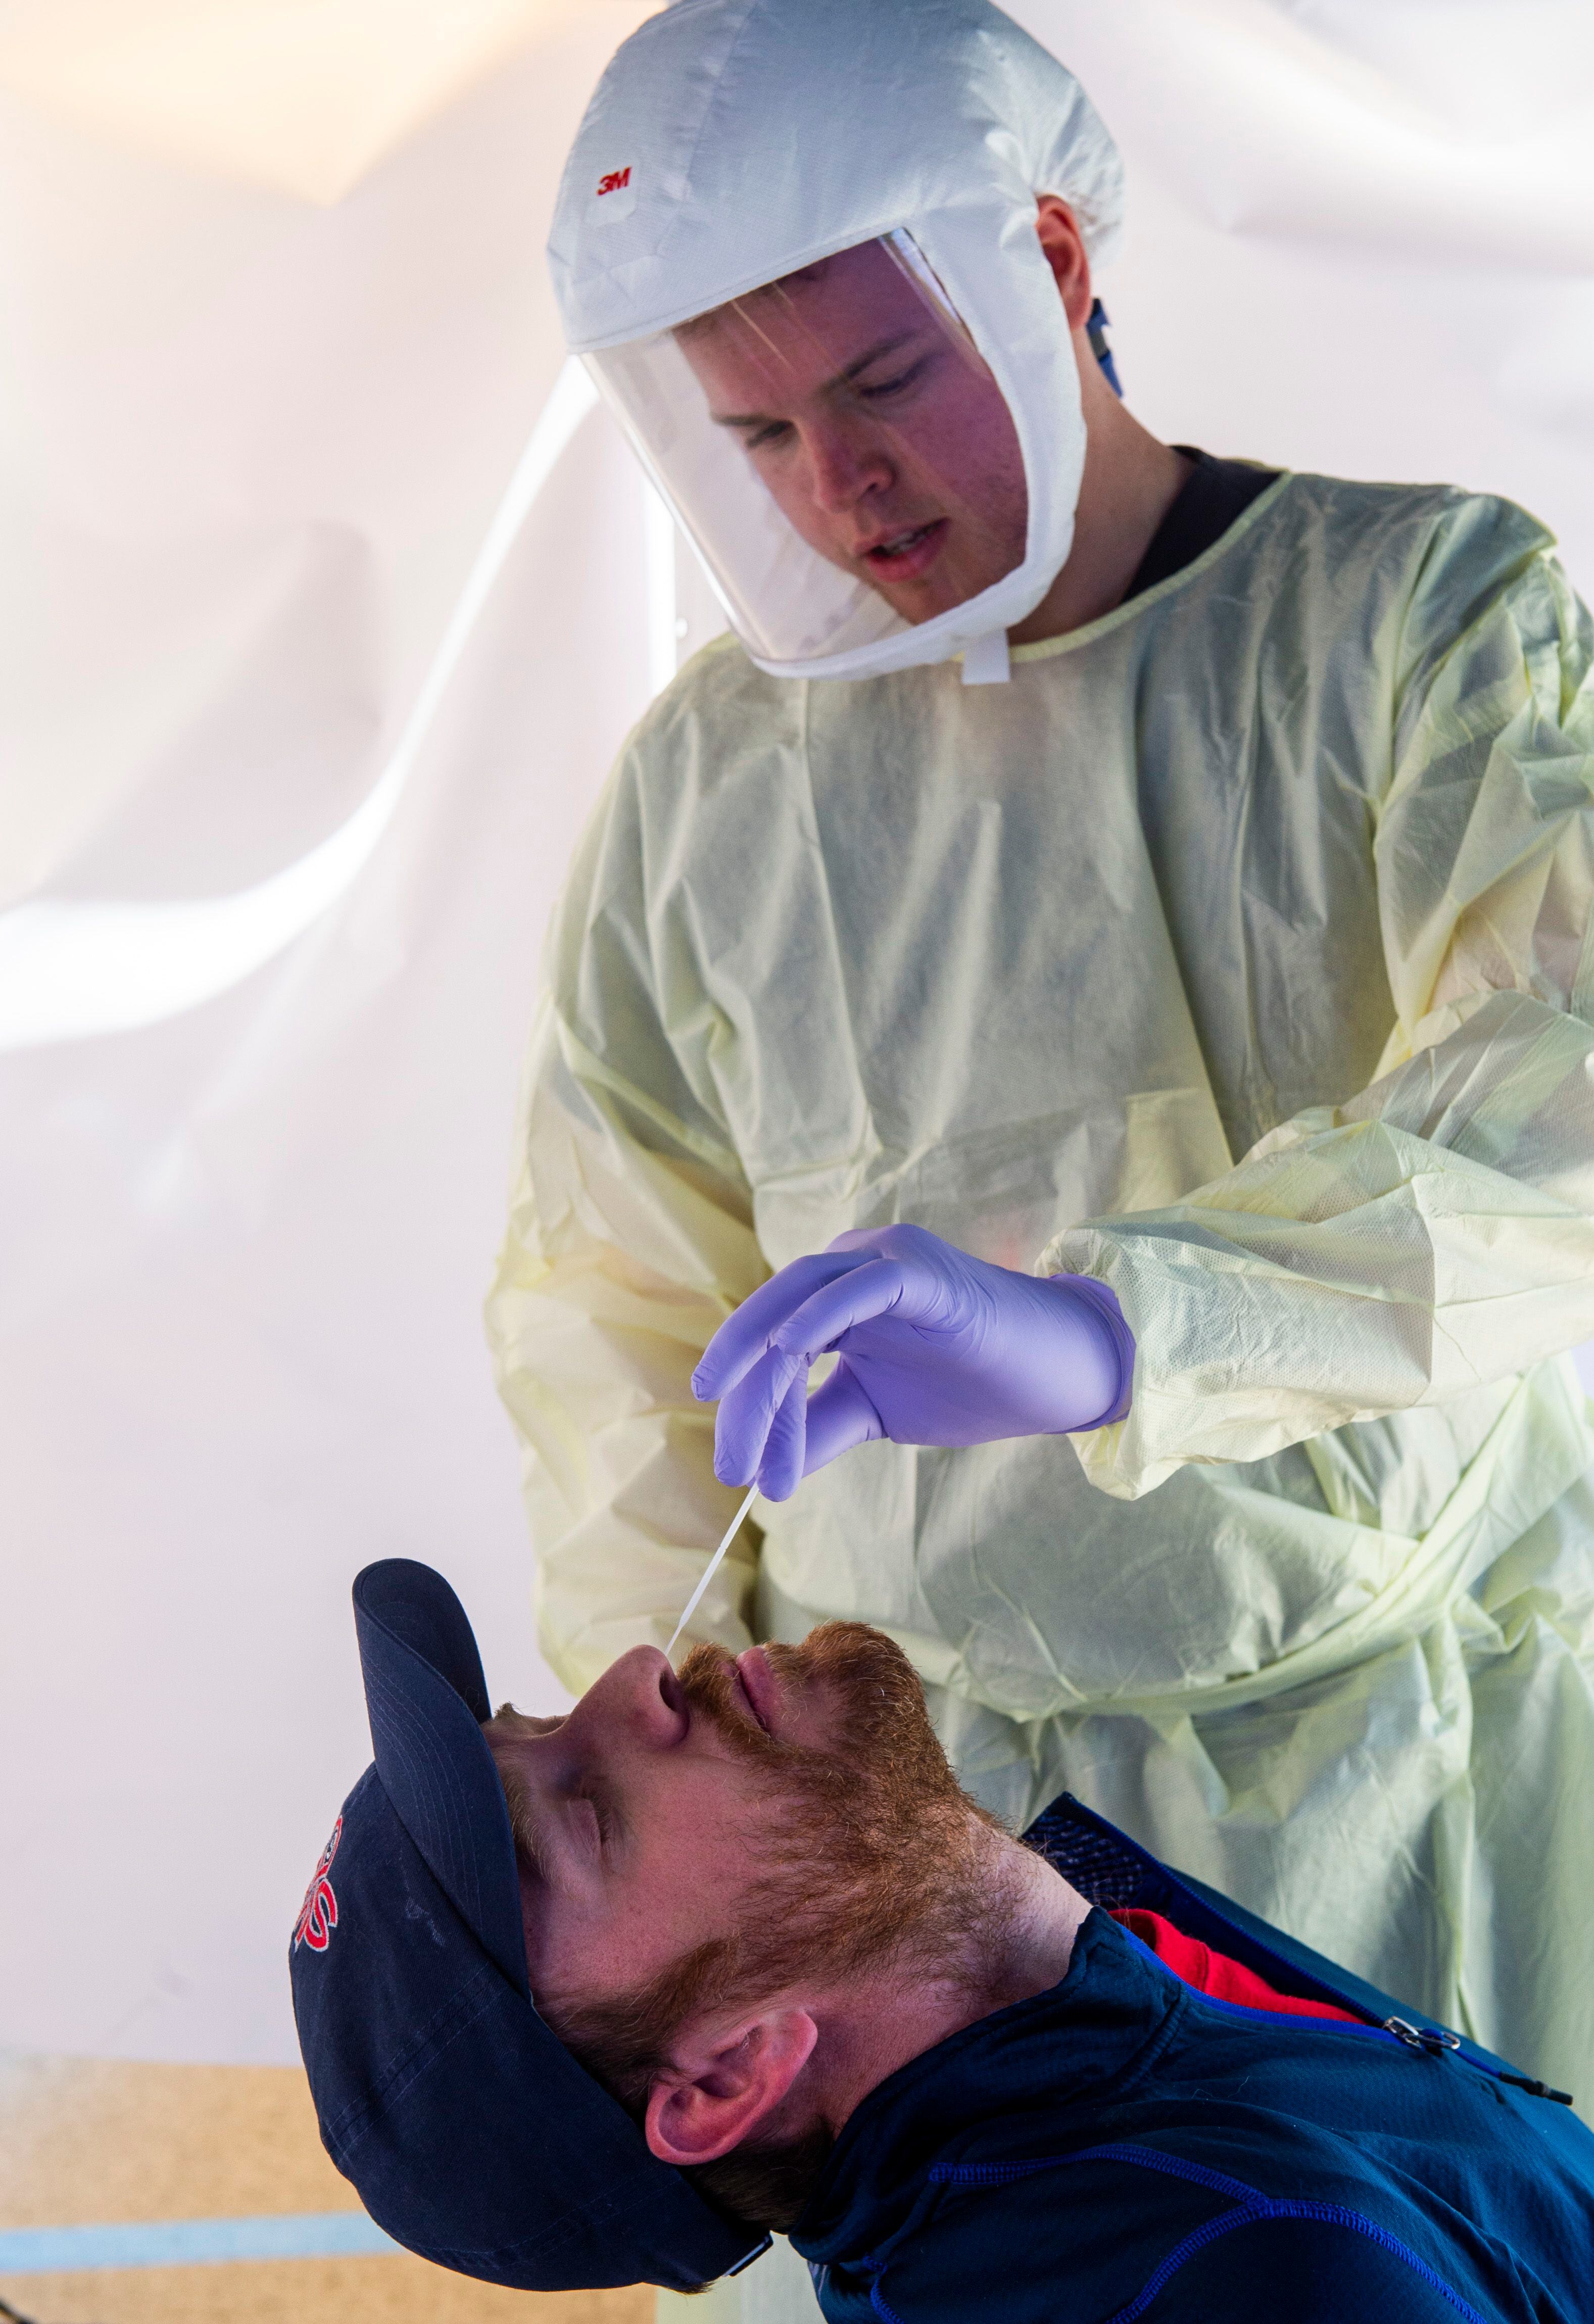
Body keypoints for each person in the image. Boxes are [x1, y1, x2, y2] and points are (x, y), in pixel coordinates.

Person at [486, 0, 1594, 2219]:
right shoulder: (716, 779)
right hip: (920, 1852)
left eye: (887, 380)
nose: (838, 487)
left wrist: (1119, 1334)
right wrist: (706, 1813)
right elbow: (613, 1312)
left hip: (1387, 1764)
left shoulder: (1411, 615)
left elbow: (1555, 1100)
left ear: (1055, 257)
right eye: (758, 429)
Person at [291, 1559, 1594, 2320]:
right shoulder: (1226, 2273)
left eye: (533, 1719)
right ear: (729, 2077)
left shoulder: (1088, 2007)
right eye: (589, 1815)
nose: (637, 1675)